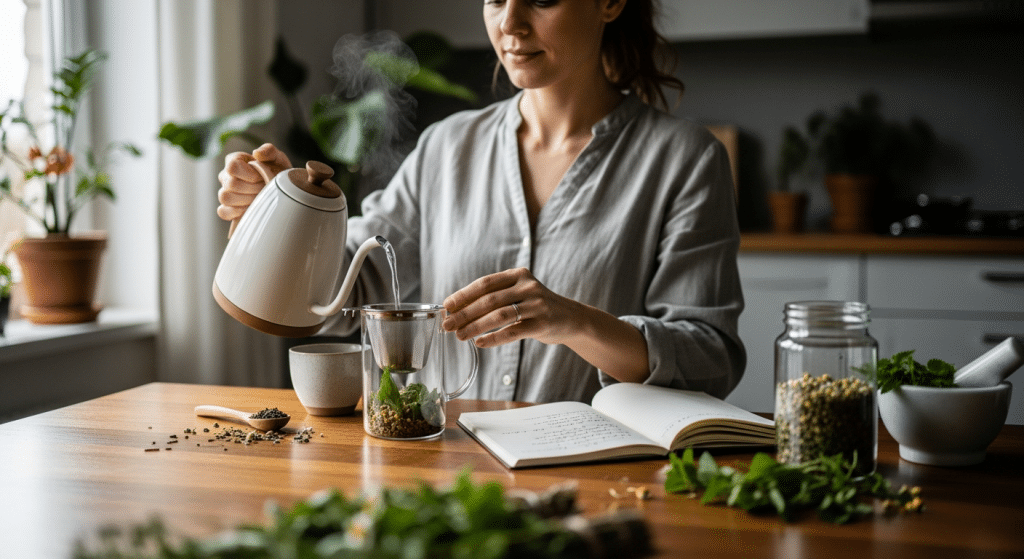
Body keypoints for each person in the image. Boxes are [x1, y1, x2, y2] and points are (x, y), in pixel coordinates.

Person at [217, 0, 745, 404]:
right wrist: (277, 224)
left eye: (541, 0)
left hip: (600, 481)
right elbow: (345, 299)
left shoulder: (685, 160)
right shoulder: (447, 146)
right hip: (451, 470)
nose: (510, 24)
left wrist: (578, 323)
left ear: (609, 3)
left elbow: (710, 359)